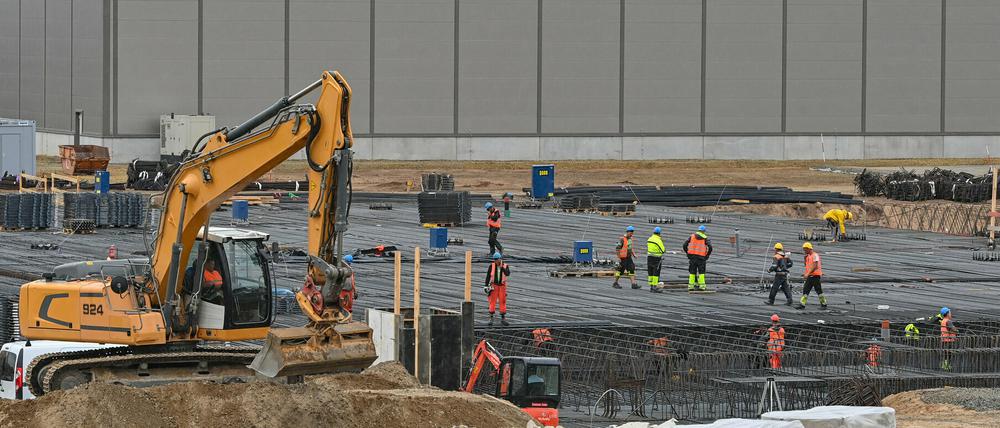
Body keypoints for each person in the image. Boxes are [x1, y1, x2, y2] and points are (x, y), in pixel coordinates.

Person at [796, 242, 827, 310]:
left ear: (808, 248)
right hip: (811, 275)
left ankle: (803, 305)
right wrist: (805, 259)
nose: (804, 251)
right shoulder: (808, 256)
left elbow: (815, 266)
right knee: (812, 290)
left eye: (805, 249)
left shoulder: (815, 255)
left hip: (814, 276)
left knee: (811, 290)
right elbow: (807, 266)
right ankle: (823, 304)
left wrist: (807, 274)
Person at [682, 225, 712, 291]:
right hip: (701, 258)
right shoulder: (705, 238)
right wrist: (707, 255)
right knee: (701, 273)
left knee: (692, 272)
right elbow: (710, 247)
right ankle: (702, 286)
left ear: (698, 230)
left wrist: (687, 252)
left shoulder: (692, 236)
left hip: (692, 257)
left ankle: (691, 286)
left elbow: (684, 245)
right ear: (704, 231)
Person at [484, 252, 510, 326]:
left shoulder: (505, 265)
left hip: (502, 286)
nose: (495, 261)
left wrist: (502, 268)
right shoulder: (491, 266)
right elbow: (488, 276)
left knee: (503, 301)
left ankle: (503, 318)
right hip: (494, 286)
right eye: (494, 259)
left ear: (500, 259)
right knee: (492, 301)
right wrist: (486, 285)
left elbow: (507, 273)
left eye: (496, 259)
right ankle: (491, 318)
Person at [646, 226, 666, 293]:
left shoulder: (649, 239)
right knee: (656, 272)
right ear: (659, 233)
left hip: (649, 257)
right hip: (657, 258)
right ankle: (655, 287)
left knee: (650, 272)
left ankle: (651, 286)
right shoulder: (658, 240)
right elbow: (663, 250)